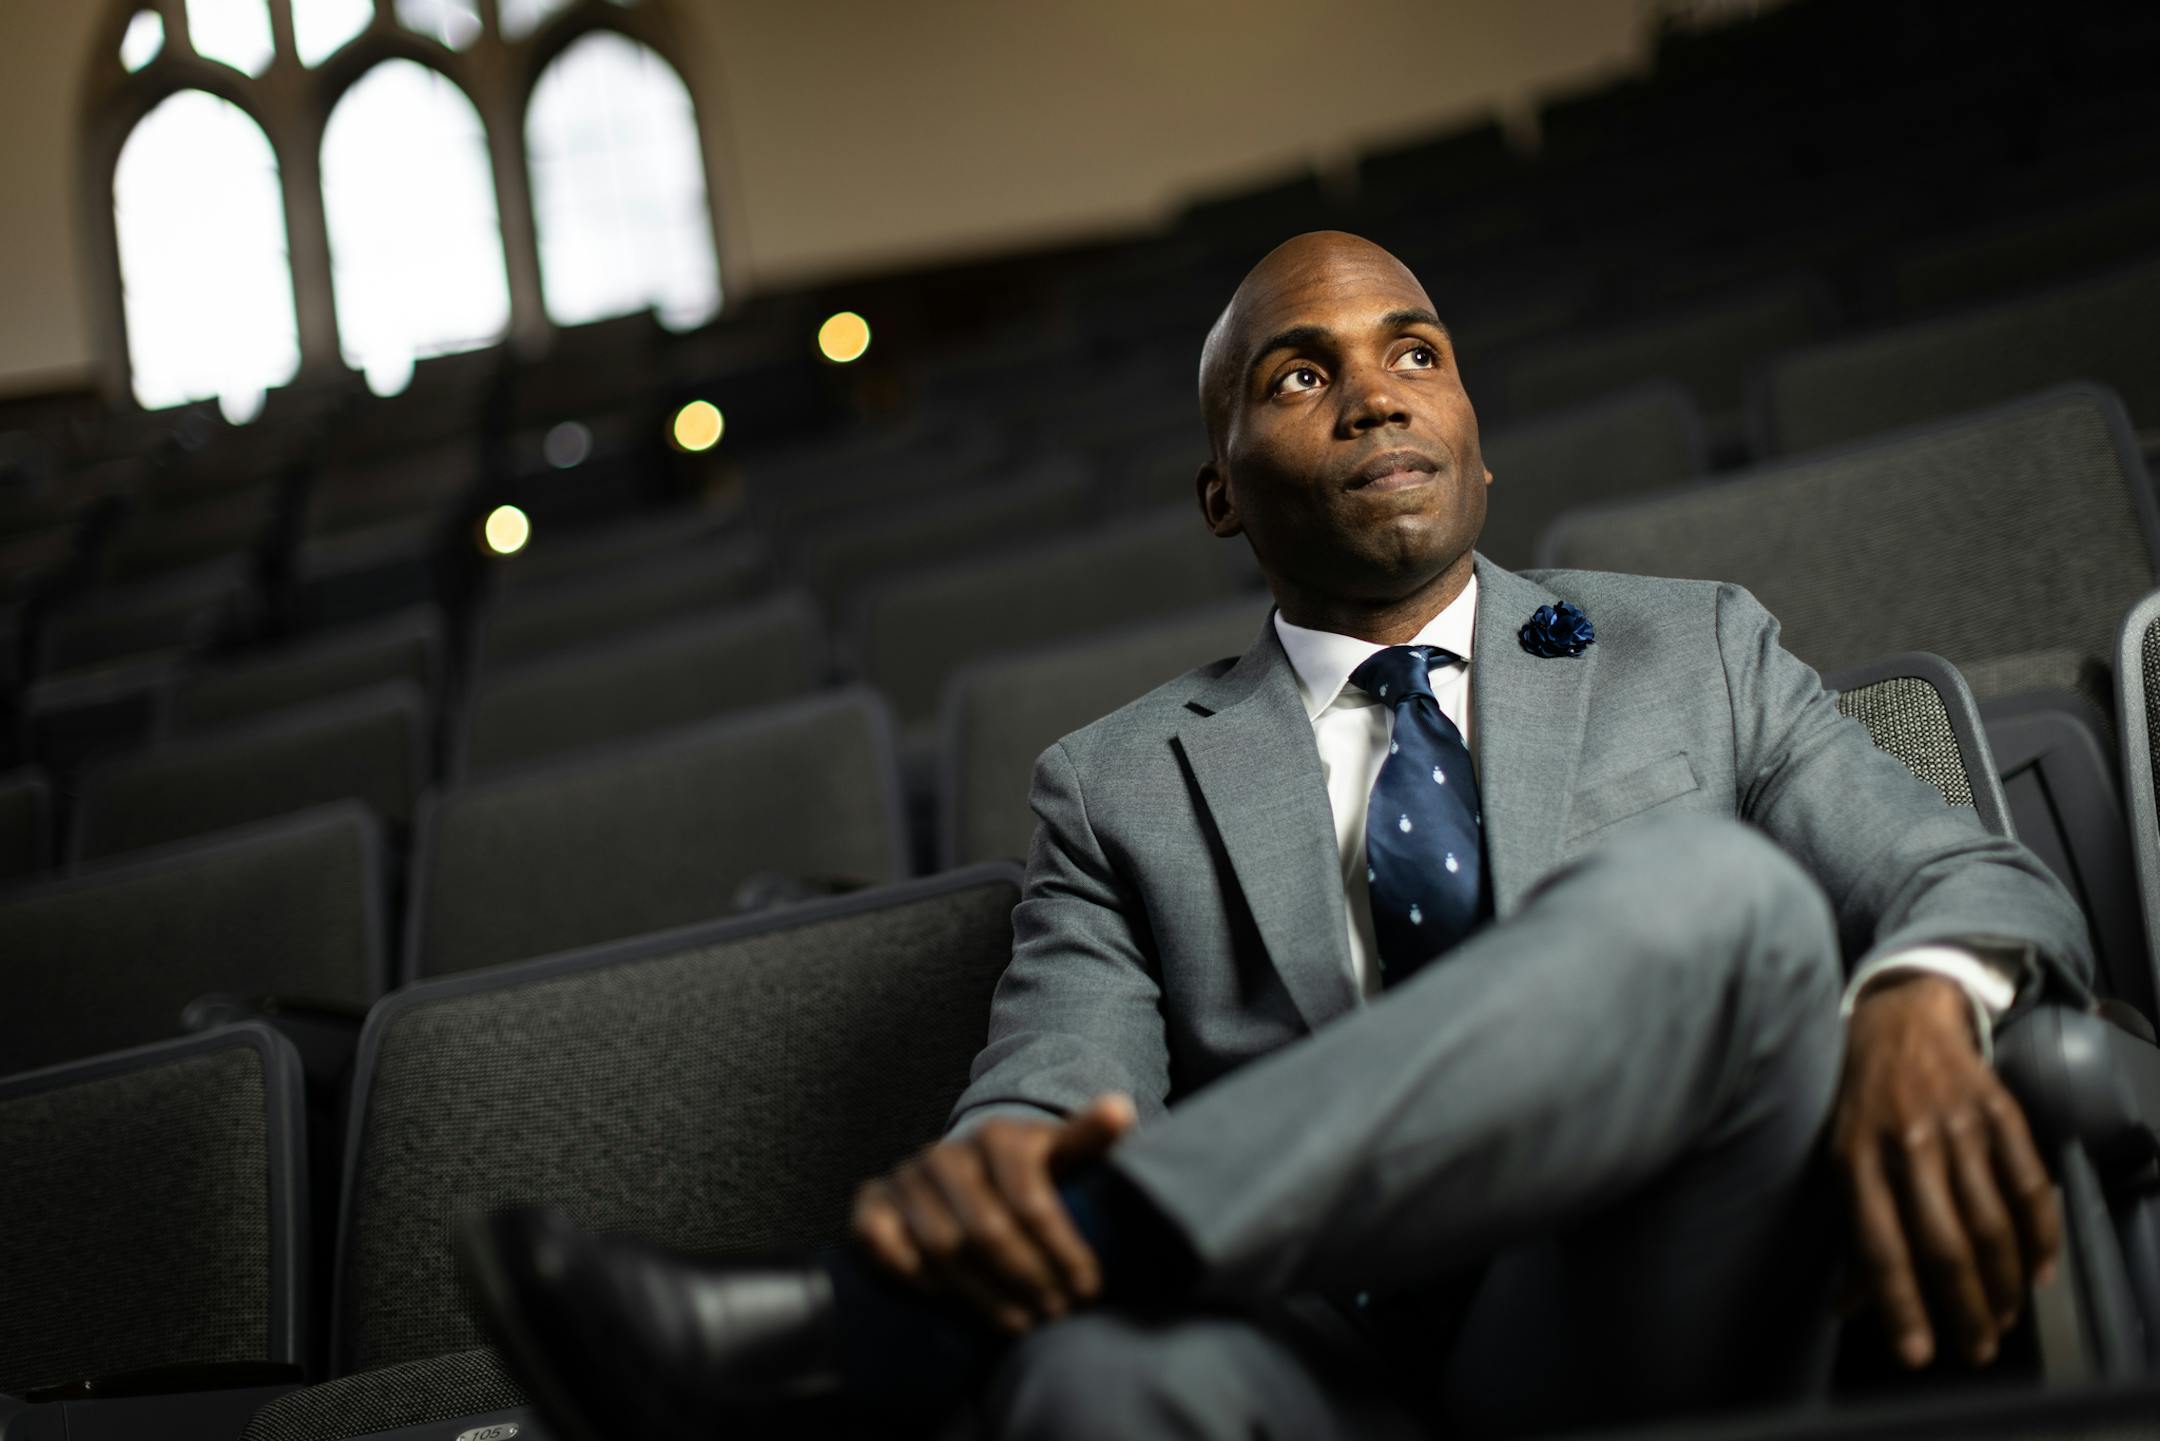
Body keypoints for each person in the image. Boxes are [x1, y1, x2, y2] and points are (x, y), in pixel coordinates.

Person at [460, 232, 2094, 1441]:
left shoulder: (1695, 646)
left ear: (1477, 435)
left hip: (1653, 1308)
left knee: (1724, 897)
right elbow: (1046, 1078)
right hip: (1324, 1373)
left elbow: (1971, 878)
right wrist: (990, 1183)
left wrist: (1920, 998)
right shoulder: (1117, 784)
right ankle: (957, 1302)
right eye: (1299, 372)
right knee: (1089, 1378)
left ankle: (867, 1331)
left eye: (1417, 352)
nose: (1374, 394)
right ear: (1220, 492)